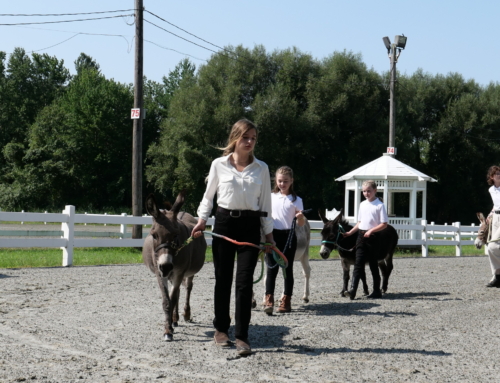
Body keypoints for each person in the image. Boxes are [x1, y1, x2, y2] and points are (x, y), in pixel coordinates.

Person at [191, 119, 275, 356]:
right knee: (223, 278)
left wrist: (268, 235)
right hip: (224, 223)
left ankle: (242, 335)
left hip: (250, 226)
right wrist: (201, 220)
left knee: (244, 282)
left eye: (253, 138)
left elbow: (266, 205)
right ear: (235, 138)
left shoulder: (262, 168)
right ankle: (220, 329)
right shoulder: (219, 164)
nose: (249, 142)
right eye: (245, 137)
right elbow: (208, 197)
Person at [264, 166, 305, 314]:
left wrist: (300, 218)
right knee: (271, 269)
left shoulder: (296, 200)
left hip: (289, 236)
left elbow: (300, 224)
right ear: (276, 180)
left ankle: (286, 301)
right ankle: (269, 299)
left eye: (285, 181)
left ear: (291, 181)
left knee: (287, 270)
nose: (282, 184)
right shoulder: (270, 197)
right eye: (280, 181)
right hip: (272, 235)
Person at [342, 180, 388, 300]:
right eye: (364, 191)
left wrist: (371, 231)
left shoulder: (379, 205)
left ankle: (376, 290)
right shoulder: (362, 204)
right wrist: (350, 232)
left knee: (373, 264)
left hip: (374, 237)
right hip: (361, 236)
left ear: (375, 191)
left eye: (369, 191)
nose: (366, 193)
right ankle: (353, 290)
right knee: (358, 263)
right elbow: (360, 222)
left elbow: (384, 224)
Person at [484, 166, 500, 288]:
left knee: (492, 246)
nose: (499, 175)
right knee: (491, 247)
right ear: (492, 177)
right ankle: (497, 276)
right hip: (495, 219)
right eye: (497, 174)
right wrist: (489, 215)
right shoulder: (491, 190)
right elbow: (496, 205)